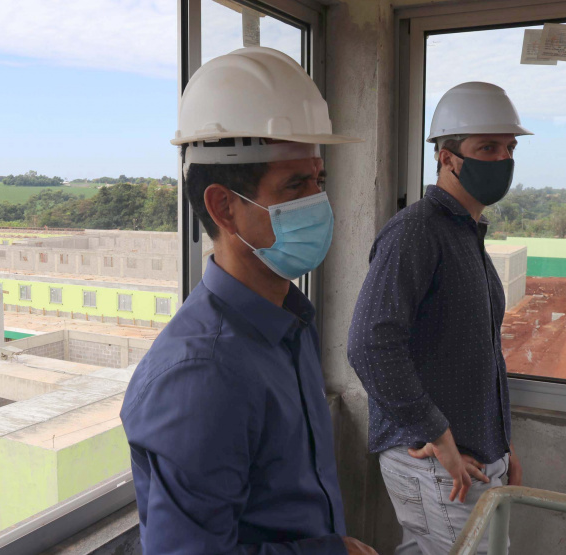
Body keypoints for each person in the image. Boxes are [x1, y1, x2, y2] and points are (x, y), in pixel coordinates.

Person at [120, 46, 376, 554]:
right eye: (296, 184)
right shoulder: (203, 373)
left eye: (319, 180)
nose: (318, 203)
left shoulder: (285, 323)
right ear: (224, 207)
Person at [347, 82, 529, 554]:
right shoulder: (416, 230)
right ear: (447, 158)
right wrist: (437, 434)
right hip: (439, 460)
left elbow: (480, 353)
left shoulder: (467, 233)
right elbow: (370, 343)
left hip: (473, 456)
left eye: (508, 147)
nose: (502, 159)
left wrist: (502, 448)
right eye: (486, 148)